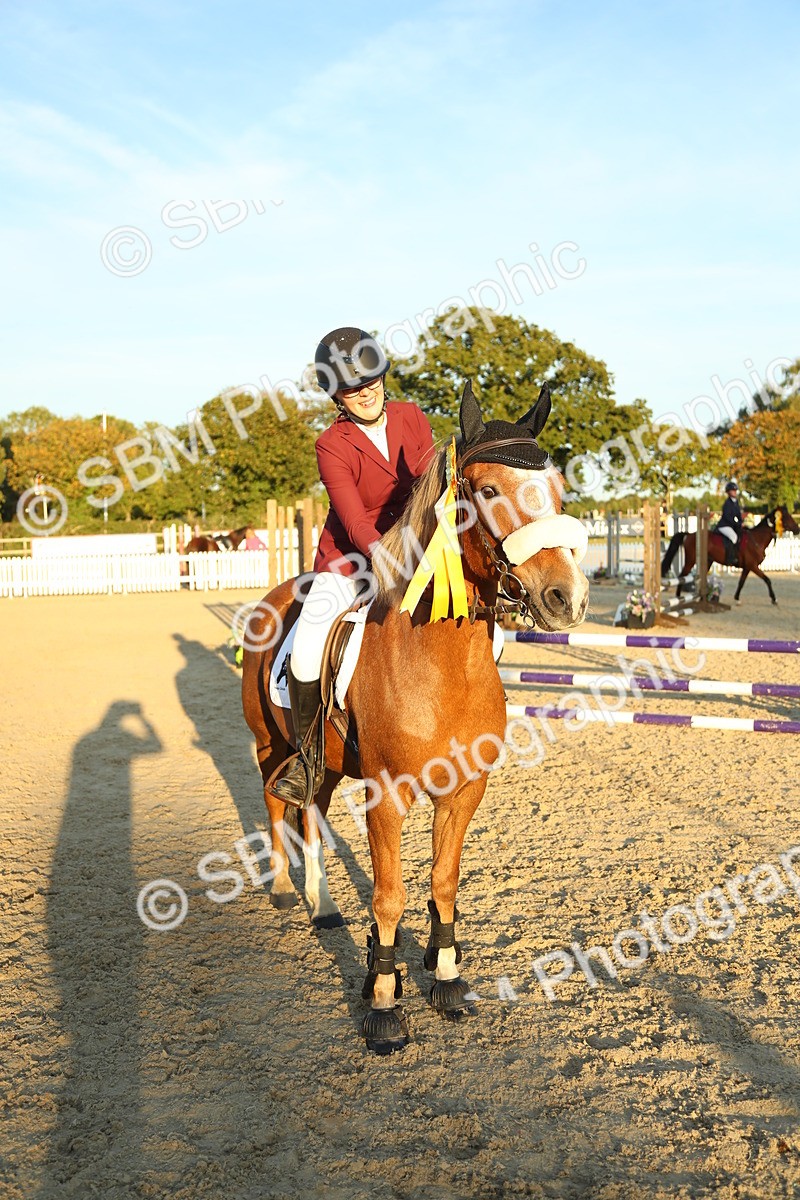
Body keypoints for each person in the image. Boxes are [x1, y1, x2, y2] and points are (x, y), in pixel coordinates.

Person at [270, 326, 435, 807]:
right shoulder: (332, 444)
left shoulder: (412, 417)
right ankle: (307, 758)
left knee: (484, 628)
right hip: (349, 561)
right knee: (305, 650)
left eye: (371, 380)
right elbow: (354, 517)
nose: (365, 391)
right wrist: (387, 558)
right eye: (351, 387)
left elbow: (428, 486)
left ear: (383, 376)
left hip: (416, 552)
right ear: (337, 396)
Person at [715, 481, 743, 565]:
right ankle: (731, 558)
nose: (734, 492)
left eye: (735, 490)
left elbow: (738, 515)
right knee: (734, 537)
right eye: (732, 490)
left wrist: (741, 522)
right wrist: (737, 524)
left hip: (731, 525)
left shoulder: (736, 502)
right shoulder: (727, 503)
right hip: (724, 525)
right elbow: (728, 517)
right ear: (728, 492)